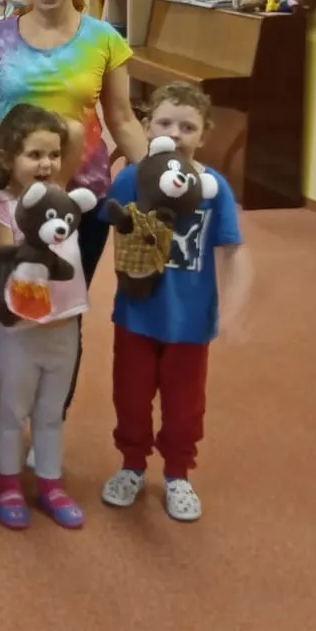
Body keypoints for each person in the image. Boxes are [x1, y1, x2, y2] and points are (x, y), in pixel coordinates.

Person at [0, 0, 148, 444]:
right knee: (7, 308)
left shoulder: (104, 40)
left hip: (80, 201)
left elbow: (123, 120)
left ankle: (48, 426)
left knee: (63, 313)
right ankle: (6, 419)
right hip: (8, 200)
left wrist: (155, 177)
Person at [101, 83, 250, 523]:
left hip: (190, 323)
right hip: (136, 316)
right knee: (130, 397)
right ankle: (131, 465)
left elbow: (232, 250)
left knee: (185, 407)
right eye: (165, 123)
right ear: (148, 127)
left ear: (204, 135)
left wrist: (235, 307)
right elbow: (110, 225)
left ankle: (178, 473)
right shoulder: (132, 178)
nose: (176, 134)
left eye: (188, 127)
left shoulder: (214, 189)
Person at [0, 105, 87, 531]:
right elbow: (3, 258)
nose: (46, 164)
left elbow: (76, 131)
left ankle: (51, 483)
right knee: (12, 411)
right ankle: (8, 486)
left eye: (54, 154)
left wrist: (58, 132)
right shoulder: (0, 207)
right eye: (34, 155)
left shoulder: (61, 196)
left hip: (65, 330)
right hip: (20, 335)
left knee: (51, 413)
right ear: (8, 158)